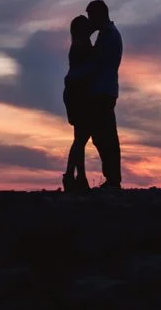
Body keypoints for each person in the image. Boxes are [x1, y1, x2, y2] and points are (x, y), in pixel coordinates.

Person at [80, 0, 122, 191]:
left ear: (99, 15)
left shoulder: (109, 35)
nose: (90, 20)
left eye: (91, 16)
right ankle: (112, 178)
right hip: (104, 90)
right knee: (103, 135)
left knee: (106, 136)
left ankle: (113, 179)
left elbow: (96, 63)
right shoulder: (107, 34)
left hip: (103, 91)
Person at [59, 15, 95, 192]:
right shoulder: (82, 47)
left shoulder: (79, 45)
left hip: (76, 95)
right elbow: (85, 71)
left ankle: (79, 177)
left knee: (80, 139)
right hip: (79, 95)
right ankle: (72, 176)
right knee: (81, 138)